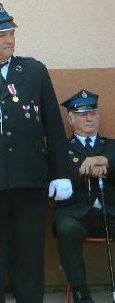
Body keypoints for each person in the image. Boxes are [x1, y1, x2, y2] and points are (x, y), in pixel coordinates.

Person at [0, 3, 70, 303]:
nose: (9, 39)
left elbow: (53, 125)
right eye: (1, 34)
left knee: (29, 256)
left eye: (11, 33)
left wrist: (61, 173)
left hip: (29, 179)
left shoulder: (33, 71)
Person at [54, 90, 114, 303]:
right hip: (75, 215)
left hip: (109, 213)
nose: (89, 118)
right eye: (82, 114)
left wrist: (104, 162)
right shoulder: (61, 149)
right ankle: (81, 292)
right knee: (66, 229)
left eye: (93, 113)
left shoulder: (111, 146)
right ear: (71, 119)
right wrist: (84, 170)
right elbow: (55, 179)